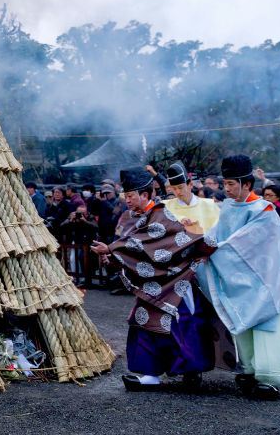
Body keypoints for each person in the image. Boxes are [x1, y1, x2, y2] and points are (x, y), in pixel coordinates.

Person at [197, 154, 280, 401]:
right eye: (225, 184)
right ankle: (249, 370)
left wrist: (216, 248)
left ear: (247, 184)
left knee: (268, 327)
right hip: (242, 281)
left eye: (231, 184)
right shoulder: (228, 207)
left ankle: (270, 379)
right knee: (244, 325)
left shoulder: (264, 210)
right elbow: (217, 235)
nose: (226, 189)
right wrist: (203, 244)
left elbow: (248, 243)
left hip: (268, 282)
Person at [91, 166, 217, 392]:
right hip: (151, 284)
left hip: (175, 281)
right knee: (142, 322)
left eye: (130, 196)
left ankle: (191, 371)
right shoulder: (134, 217)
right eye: (125, 196)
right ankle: (149, 375)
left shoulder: (160, 214)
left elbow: (146, 243)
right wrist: (113, 255)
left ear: (145, 195)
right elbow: (132, 247)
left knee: (182, 323)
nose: (127, 200)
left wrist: (111, 249)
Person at [163, 161, 221, 235]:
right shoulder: (165, 206)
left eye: (180, 187)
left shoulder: (209, 204)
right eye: (174, 188)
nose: (178, 192)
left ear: (190, 185)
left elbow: (219, 229)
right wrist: (179, 219)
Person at [61, 206, 100, 288]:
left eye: (82, 213)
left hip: (88, 241)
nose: (80, 215)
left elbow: (96, 227)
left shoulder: (90, 217)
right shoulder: (72, 216)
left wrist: (85, 221)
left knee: (87, 261)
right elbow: (62, 226)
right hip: (76, 241)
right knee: (73, 259)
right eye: (79, 213)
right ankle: (76, 279)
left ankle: (87, 280)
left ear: (86, 213)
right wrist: (70, 220)